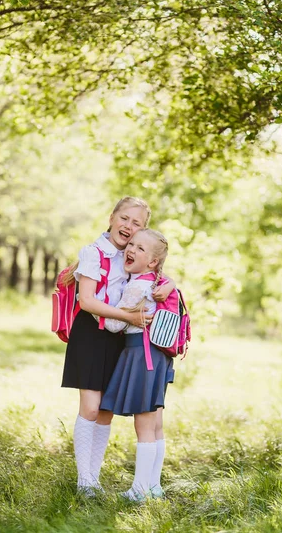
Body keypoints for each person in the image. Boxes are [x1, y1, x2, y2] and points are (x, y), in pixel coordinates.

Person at [61, 197, 174, 495]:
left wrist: (170, 282)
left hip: (119, 336)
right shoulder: (93, 253)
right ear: (112, 217)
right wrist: (129, 316)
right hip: (92, 332)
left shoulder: (132, 254)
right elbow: (86, 301)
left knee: (105, 411)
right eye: (124, 218)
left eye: (137, 224)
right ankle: (84, 480)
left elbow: (154, 273)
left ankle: (94, 478)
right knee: (90, 406)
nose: (128, 226)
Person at [100, 228, 174, 501]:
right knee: (155, 425)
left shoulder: (136, 287)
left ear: (152, 262)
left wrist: (106, 303)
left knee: (143, 426)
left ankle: (139, 490)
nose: (131, 250)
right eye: (131, 244)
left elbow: (113, 323)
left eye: (140, 249)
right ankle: (153, 486)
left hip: (140, 355)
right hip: (157, 356)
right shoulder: (158, 282)